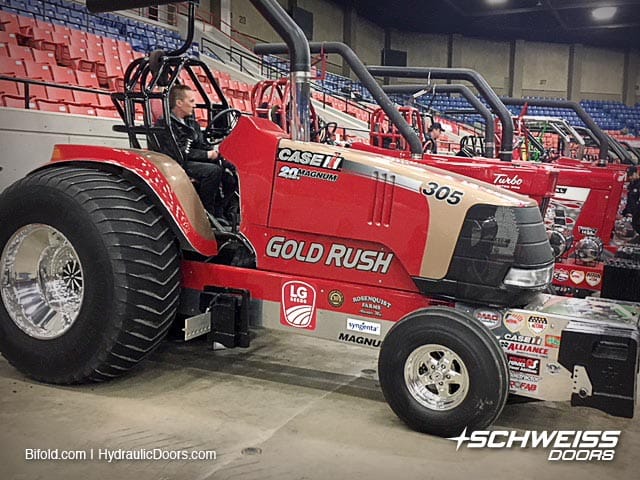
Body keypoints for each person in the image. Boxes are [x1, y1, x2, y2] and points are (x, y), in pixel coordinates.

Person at [156, 84, 237, 221]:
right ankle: (207, 213)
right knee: (213, 171)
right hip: (177, 163)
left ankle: (223, 211)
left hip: (192, 159)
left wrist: (216, 154)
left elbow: (202, 144)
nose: (195, 105)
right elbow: (179, 152)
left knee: (230, 172)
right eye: (191, 101)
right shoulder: (166, 125)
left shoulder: (192, 123)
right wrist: (206, 155)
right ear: (179, 103)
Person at [622, 166, 640, 236]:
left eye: (631, 175)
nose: (630, 177)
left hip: (636, 215)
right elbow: (629, 200)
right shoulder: (631, 184)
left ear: (636, 173)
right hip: (630, 213)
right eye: (629, 175)